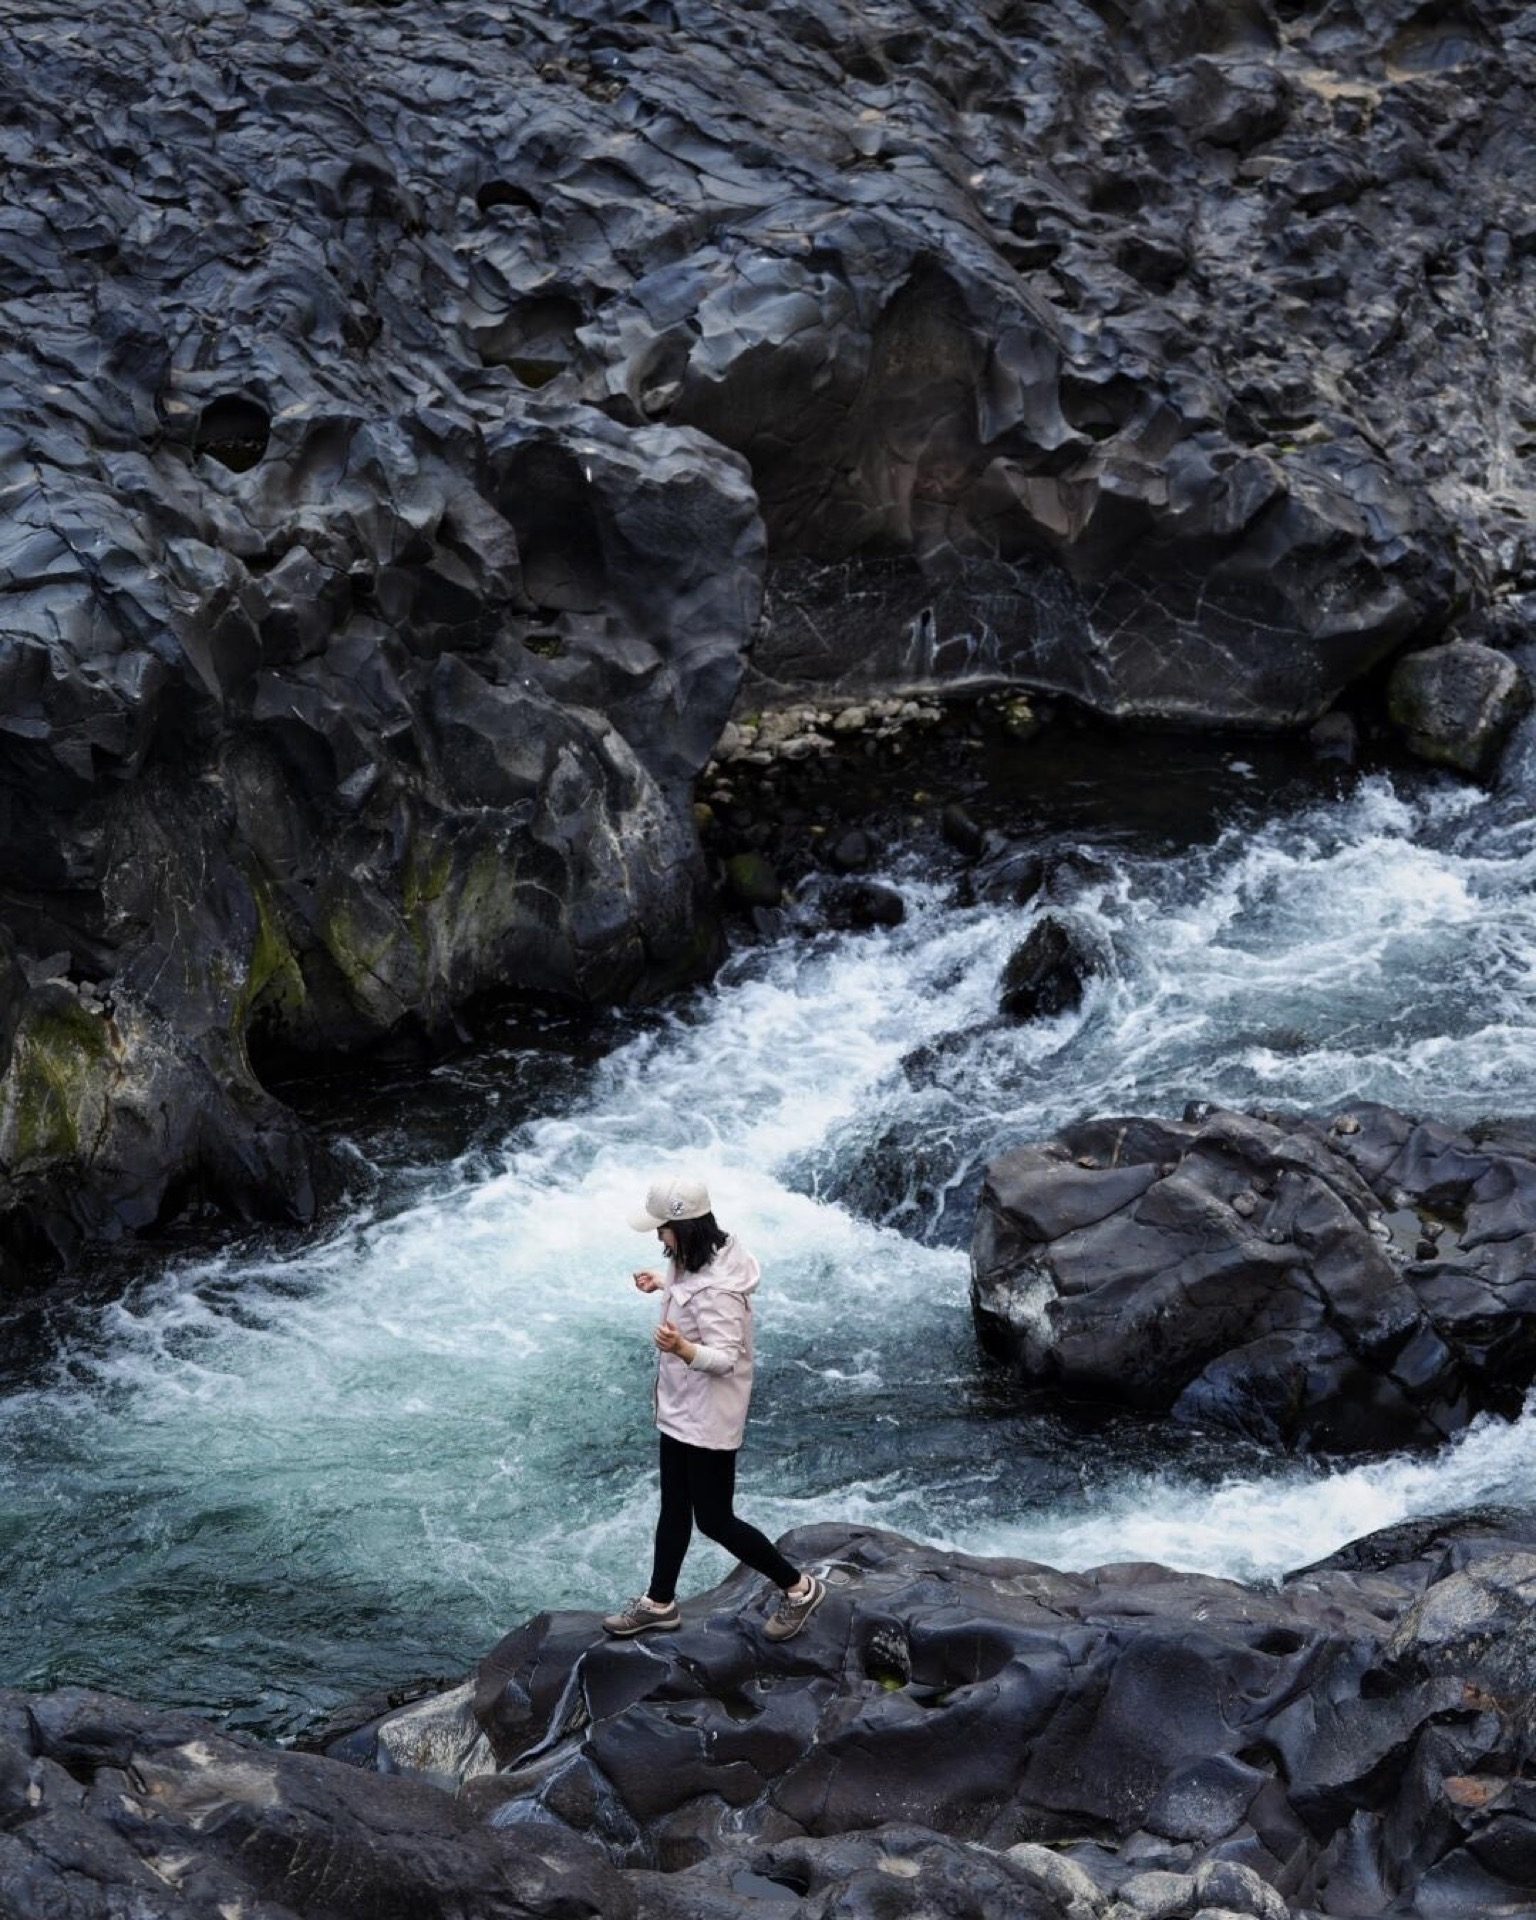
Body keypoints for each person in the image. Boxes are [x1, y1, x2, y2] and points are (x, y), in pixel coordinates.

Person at [602, 1174, 826, 1642]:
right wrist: (661, 1284)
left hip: (707, 1419)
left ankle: (800, 1589)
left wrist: (683, 1348)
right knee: (674, 1509)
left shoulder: (720, 1291)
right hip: (682, 1411)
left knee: (715, 1520)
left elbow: (727, 1358)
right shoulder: (699, 1255)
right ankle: (659, 1602)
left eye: (661, 1228)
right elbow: (690, 1291)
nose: (656, 1236)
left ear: (682, 1228)